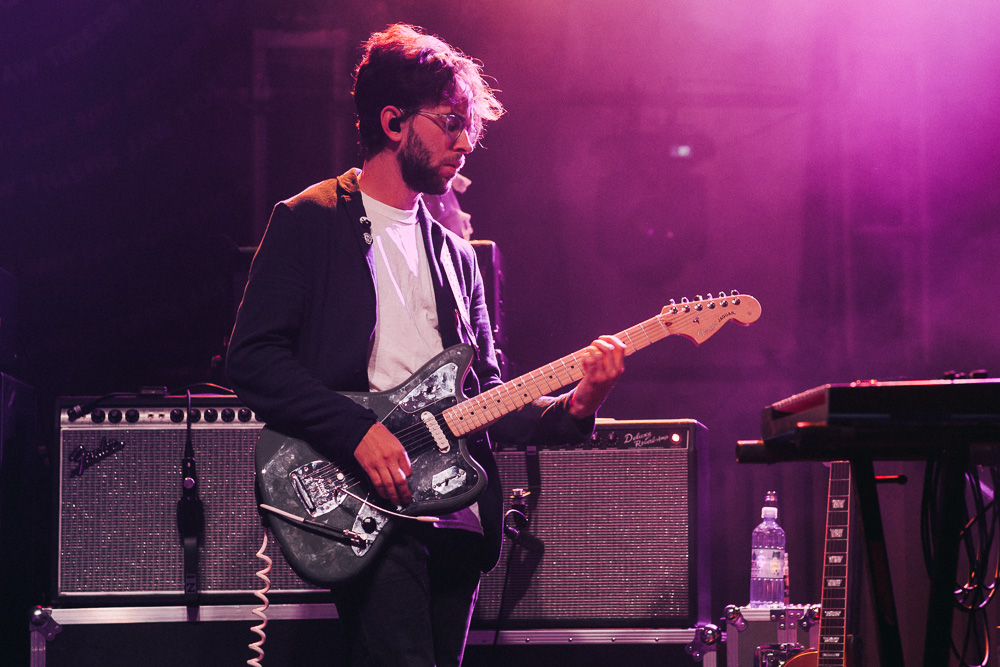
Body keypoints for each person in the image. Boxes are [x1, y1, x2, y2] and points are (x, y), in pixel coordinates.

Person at [226, 23, 626, 667]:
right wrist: (357, 430)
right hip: (369, 501)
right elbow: (252, 359)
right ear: (393, 122)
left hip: (458, 515)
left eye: (469, 128)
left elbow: (488, 398)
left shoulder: (459, 258)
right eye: (449, 124)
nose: (465, 143)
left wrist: (579, 404)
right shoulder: (310, 220)